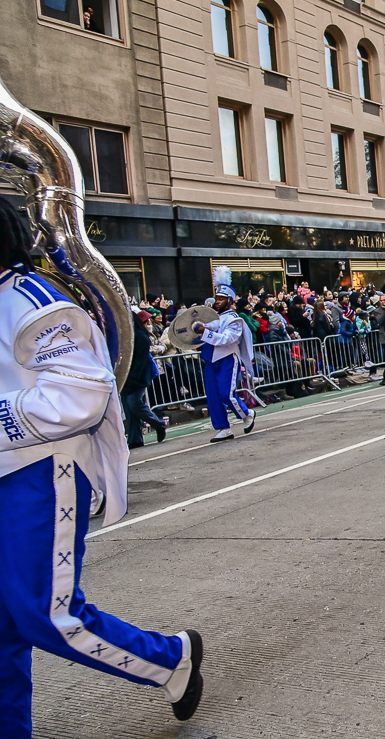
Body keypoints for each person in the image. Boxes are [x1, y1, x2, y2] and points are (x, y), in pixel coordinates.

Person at [0, 200, 203, 738]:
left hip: (39, 470)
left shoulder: (31, 301)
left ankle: (169, 659)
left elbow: (82, 394)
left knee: (46, 614)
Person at [192, 266, 256, 442]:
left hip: (227, 358)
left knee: (225, 393)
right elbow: (206, 328)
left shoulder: (235, 320)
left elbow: (227, 339)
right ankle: (224, 428)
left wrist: (204, 332)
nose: (218, 302)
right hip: (210, 358)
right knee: (213, 396)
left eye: (221, 299)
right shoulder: (214, 318)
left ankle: (246, 413)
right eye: (217, 298)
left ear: (230, 301)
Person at [122, 310, 167, 448]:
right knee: (129, 408)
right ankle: (135, 439)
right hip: (126, 377)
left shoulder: (140, 337)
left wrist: (134, 376)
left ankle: (158, 423)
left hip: (138, 377)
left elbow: (140, 361)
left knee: (134, 403)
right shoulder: (126, 337)